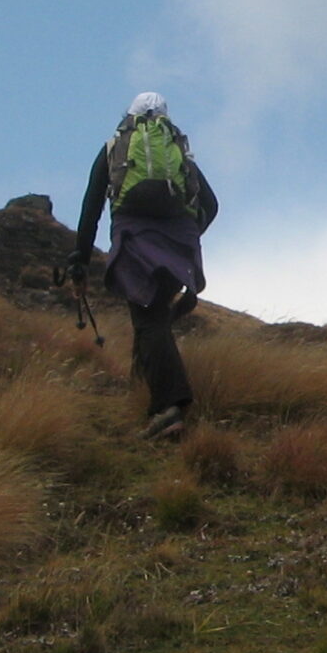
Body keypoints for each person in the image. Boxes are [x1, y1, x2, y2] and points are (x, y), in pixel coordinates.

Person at [70, 93, 217, 441]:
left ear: (129, 117)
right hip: (178, 241)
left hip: (135, 238)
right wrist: (189, 236)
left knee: (148, 320)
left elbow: (91, 208)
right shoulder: (181, 154)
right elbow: (210, 204)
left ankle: (169, 408)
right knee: (153, 319)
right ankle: (144, 391)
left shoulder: (113, 149)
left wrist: (80, 260)